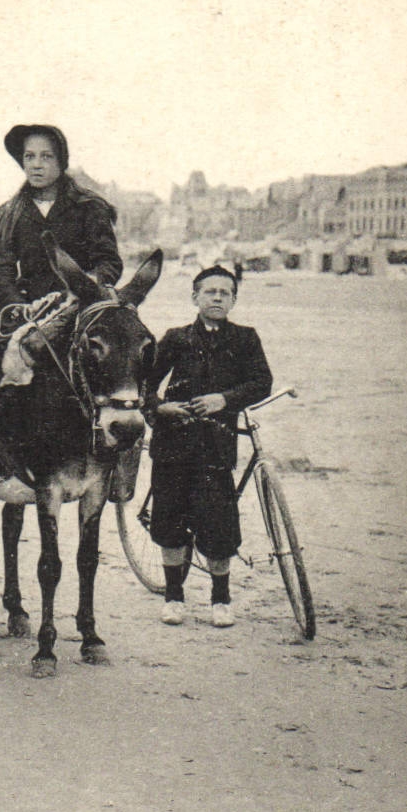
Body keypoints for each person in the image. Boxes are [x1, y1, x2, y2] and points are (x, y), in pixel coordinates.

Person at [0, 124, 125, 475]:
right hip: (29, 311)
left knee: (124, 360)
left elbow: (110, 260)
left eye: (46, 156)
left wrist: (91, 282)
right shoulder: (8, 214)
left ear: (61, 161)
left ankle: (120, 464)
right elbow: (0, 270)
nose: (36, 164)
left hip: (82, 305)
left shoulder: (90, 207)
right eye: (29, 157)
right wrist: (17, 305)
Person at [144, 264, 273, 628]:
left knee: (218, 524)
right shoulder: (175, 338)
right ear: (195, 298)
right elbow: (144, 384)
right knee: (170, 520)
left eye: (225, 293)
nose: (217, 298)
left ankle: (221, 598)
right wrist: (159, 407)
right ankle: (173, 597)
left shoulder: (245, 339)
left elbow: (261, 382)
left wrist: (224, 399)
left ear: (233, 300)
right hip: (172, 444)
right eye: (210, 292)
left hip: (216, 446)